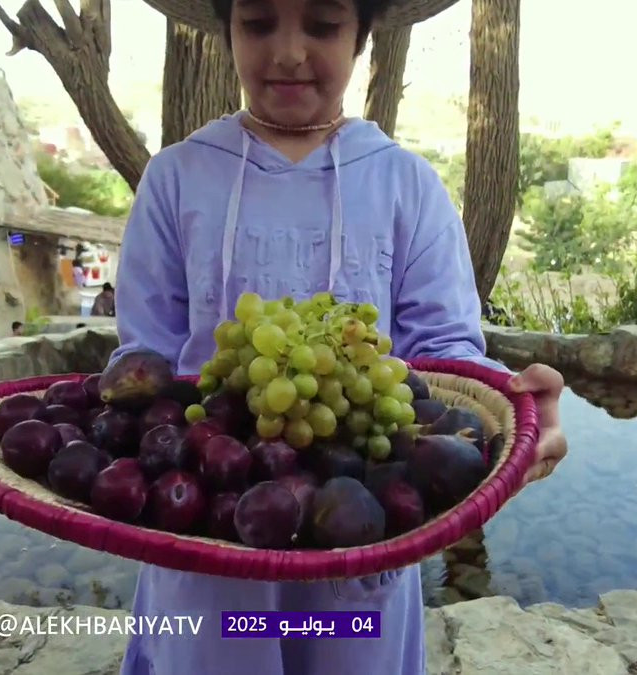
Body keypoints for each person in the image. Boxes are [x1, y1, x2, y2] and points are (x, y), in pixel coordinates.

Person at [112, 0, 569, 672]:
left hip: (363, 530)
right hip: (209, 526)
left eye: (323, 25)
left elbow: (446, 359)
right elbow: (142, 359)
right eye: (258, 23)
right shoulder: (176, 178)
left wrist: (510, 411)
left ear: (362, 33)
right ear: (227, 27)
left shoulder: (406, 184)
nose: (289, 52)